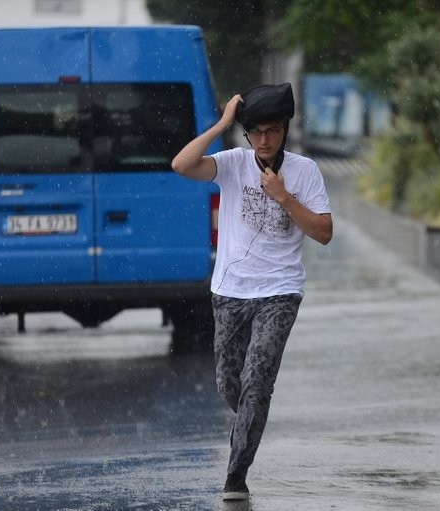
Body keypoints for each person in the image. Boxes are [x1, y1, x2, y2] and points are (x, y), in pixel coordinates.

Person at [171, 83, 333, 501]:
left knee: (256, 382)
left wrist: (284, 197)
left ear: (285, 130)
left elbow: (324, 232)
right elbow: (181, 164)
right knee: (232, 386)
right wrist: (222, 123)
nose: (264, 140)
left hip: (280, 292)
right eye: (256, 132)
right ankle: (250, 422)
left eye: (273, 131)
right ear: (247, 134)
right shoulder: (232, 163)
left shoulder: (304, 172)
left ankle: (236, 476)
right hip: (230, 292)